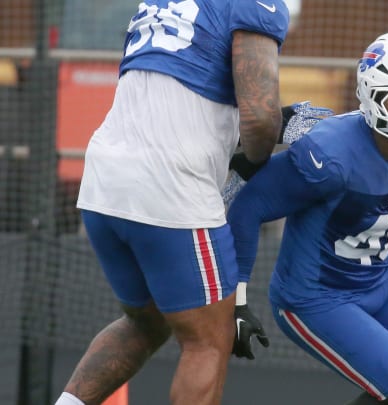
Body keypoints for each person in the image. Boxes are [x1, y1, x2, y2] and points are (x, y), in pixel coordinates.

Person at [226, 31, 388, 404]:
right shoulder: (331, 155)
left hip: (380, 278)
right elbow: (251, 205)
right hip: (315, 297)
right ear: (373, 95)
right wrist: (237, 298)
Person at [56, 1, 296, 404]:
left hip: (103, 176)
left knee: (144, 323)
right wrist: (252, 161)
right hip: (171, 184)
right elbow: (259, 117)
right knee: (209, 340)